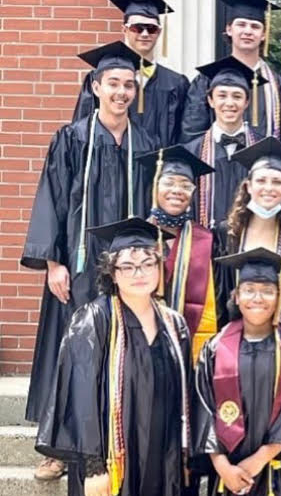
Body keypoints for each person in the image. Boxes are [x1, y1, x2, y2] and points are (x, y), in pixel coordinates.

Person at [21, 41, 157, 480]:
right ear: (96, 86)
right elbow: (53, 199)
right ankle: (60, 448)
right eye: (113, 83)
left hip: (129, 268)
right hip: (78, 269)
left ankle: (116, 435)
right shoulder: (71, 138)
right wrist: (52, 263)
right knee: (73, 351)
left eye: (128, 85)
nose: (121, 92)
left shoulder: (148, 144)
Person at [35, 218, 191, 496]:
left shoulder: (173, 323)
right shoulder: (94, 319)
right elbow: (79, 396)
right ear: (113, 273)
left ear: (159, 268)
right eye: (127, 266)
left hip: (162, 456)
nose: (138, 273)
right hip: (111, 458)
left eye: (147, 263)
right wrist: (94, 466)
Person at [193, 248, 281, 496]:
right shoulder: (215, 348)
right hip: (228, 472)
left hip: (279, 470)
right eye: (249, 290)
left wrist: (260, 458)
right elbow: (203, 410)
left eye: (268, 291)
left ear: (279, 297)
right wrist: (222, 465)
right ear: (236, 296)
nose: (257, 298)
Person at [72, 0, 190, 147]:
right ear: (124, 30)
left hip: (158, 168)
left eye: (152, 28)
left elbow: (182, 138)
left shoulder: (176, 84)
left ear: (160, 32)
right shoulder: (100, 78)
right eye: (137, 28)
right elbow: (82, 130)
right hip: (108, 164)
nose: (145, 33)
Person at [214, 137, 281, 327]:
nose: (268, 188)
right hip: (240, 333)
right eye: (261, 180)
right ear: (248, 186)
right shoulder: (228, 233)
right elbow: (221, 292)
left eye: (276, 182)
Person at [138, 144, 218, 361]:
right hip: (142, 352)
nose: (177, 190)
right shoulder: (136, 238)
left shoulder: (207, 240)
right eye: (169, 182)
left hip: (191, 354)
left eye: (185, 185)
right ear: (155, 186)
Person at [181, 0, 281, 143]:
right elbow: (193, 134)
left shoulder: (279, 85)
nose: (247, 31)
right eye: (241, 24)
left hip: (263, 163)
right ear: (229, 29)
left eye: (255, 26)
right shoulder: (207, 79)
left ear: (264, 34)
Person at [184, 56, 268, 228]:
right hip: (204, 245)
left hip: (249, 242)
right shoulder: (192, 153)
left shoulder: (263, 151)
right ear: (211, 101)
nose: (229, 103)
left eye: (237, 96)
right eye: (222, 96)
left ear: (247, 102)